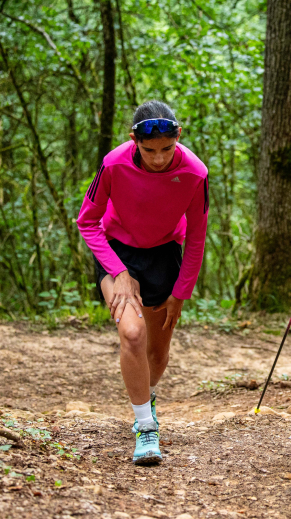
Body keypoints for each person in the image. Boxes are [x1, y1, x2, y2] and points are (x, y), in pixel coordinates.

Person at [77, 100, 208, 465]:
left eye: (167, 149)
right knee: (132, 334)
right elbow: (87, 221)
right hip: (117, 251)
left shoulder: (196, 172)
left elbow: (197, 236)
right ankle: (145, 426)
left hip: (165, 253)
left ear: (178, 137)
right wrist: (119, 273)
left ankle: (145, 395)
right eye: (149, 150)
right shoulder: (113, 163)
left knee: (157, 351)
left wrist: (181, 293)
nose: (158, 158)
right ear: (134, 140)